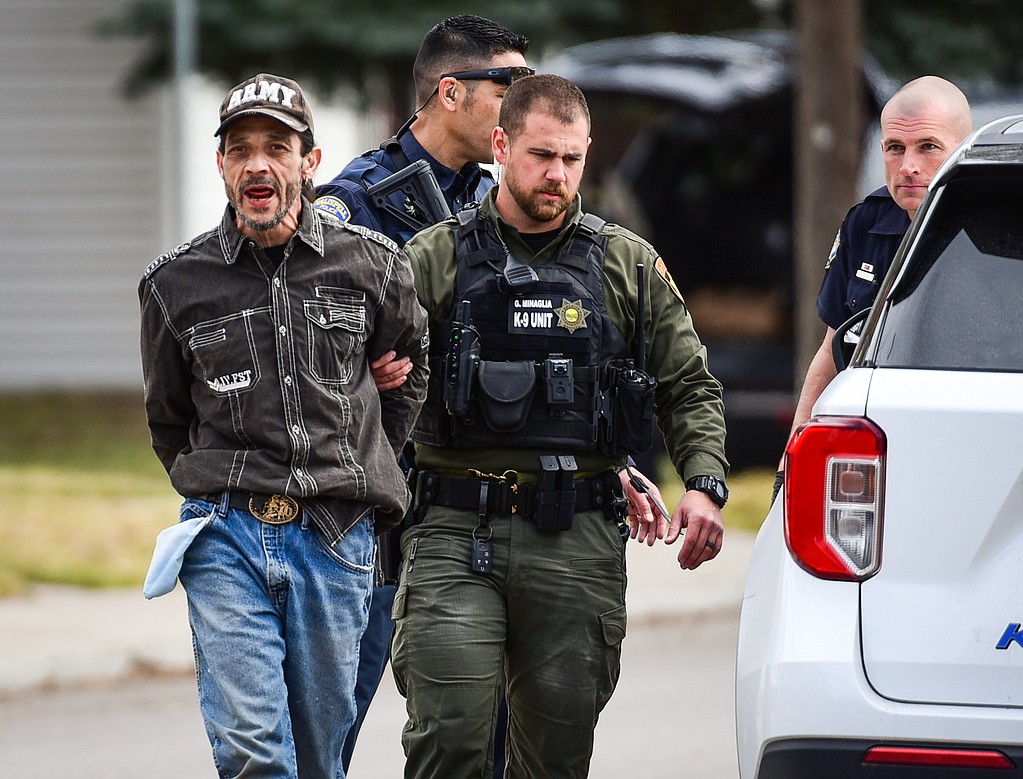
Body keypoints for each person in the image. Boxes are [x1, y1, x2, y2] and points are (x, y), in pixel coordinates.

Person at [391, 73, 729, 778]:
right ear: (501, 144)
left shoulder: (626, 263)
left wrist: (703, 482)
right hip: (455, 529)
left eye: (573, 158)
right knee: (449, 738)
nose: (559, 174)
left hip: (575, 537)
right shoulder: (433, 258)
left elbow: (688, 381)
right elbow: (367, 383)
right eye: (542, 155)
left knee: (556, 755)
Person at [138, 72, 429, 778]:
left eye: (277, 145)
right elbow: (169, 421)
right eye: (240, 149)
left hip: (335, 539)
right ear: (222, 167)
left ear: (311, 162)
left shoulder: (375, 267)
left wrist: (361, 461)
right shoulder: (174, 285)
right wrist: (215, 489)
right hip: (225, 534)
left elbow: (410, 371)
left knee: (318, 756)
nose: (258, 163)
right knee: (253, 751)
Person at [313, 14, 533, 770]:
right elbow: (301, 345)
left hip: (476, 503)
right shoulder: (356, 204)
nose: (525, 104)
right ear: (451, 93)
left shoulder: (503, 203)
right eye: (511, 88)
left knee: (483, 733)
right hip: (376, 512)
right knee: (328, 718)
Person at [774, 75, 971, 498]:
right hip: (869, 449)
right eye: (895, 148)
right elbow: (832, 349)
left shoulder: (989, 236)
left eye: (928, 147)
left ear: (963, 149)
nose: (908, 166)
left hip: (955, 447)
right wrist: (790, 459)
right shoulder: (866, 223)